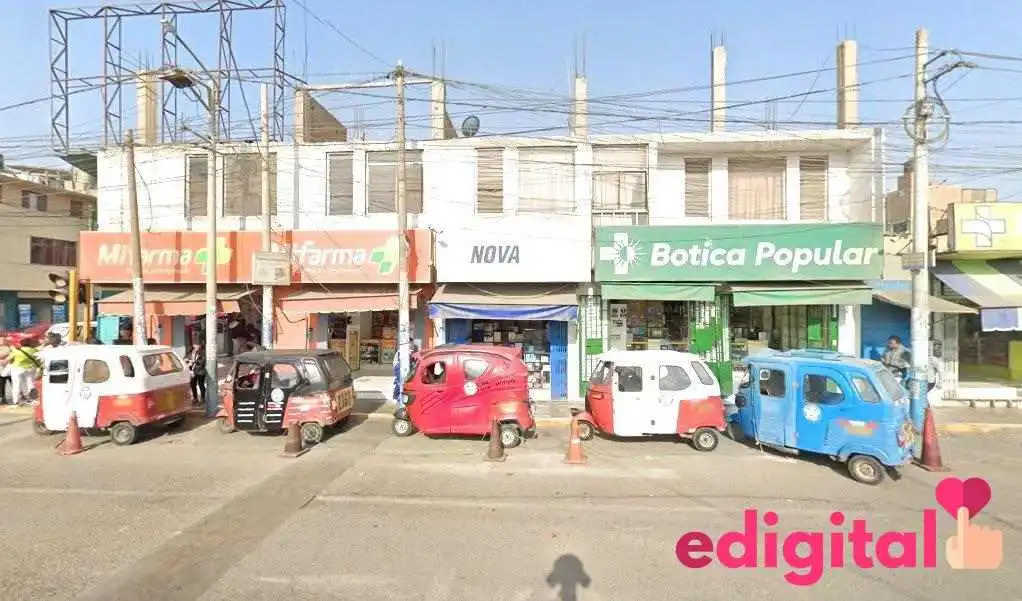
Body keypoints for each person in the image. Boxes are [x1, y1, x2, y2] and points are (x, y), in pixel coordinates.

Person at [9, 338, 42, 406]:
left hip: (18, 368)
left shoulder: (16, 351)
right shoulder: (35, 350)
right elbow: (39, 360)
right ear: (30, 343)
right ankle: (32, 400)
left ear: (21, 344)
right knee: (30, 384)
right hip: (31, 369)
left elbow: (10, 359)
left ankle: (16, 401)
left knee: (16, 384)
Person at [185, 342, 206, 406]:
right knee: (193, 384)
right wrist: (188, 362)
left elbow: (203, 361)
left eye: (197, 345)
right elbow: (185, 358)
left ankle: (202, 398)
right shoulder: (190, 351)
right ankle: (195, 398)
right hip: (193, 371)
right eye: (195, 345)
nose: (196, 346)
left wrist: (194, 362)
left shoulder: (202, 352)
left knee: (201, 385)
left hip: (200, 372)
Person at [0, 336, 11, 404]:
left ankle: (19, 397)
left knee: (13, 383)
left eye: (2, 340)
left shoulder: (10, 348)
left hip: (9, 368)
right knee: (1, 384)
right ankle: (3, 398)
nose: (1, 341)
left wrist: (6, 358)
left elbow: (11, 355)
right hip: (1, 369)